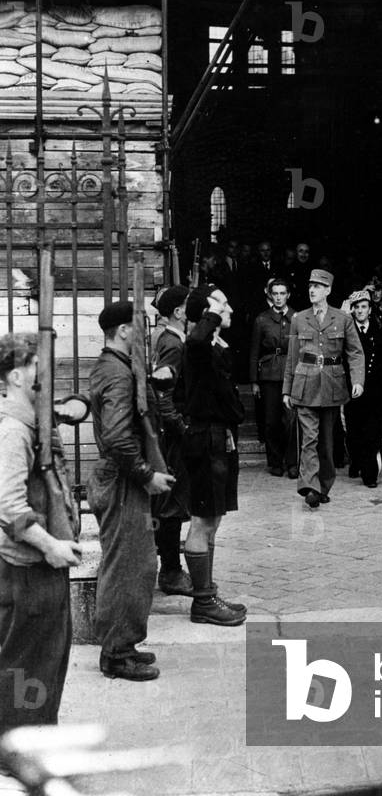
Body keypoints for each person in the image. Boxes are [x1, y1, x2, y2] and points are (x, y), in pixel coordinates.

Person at [88, 301, 175, 681]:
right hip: (123, 480)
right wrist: (146, 476)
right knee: (128, 565)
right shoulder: (118, 374)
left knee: (137, 564)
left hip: (123, 478)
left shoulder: (119, 368)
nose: (145, 331)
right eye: (140, 325)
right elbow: (118, 438)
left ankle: (124, 643)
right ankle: (116, 653)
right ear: (123, 330)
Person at [0, 333, 81, 727]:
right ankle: (17, 759)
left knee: (44, 664)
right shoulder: (13, 432)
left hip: (38, 568)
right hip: (29, 569)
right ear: (16, 376)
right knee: (28, 667)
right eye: (36, 367)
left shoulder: (28, 423)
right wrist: (49, 545)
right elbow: (7, 506)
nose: (43, 376)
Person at [181, 286, 247, 626]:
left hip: (219, 436)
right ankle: (202, 602)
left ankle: (206, 591)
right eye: (222, 302)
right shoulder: (198, 345)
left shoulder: (214, 345)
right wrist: (210, 312)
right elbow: (194, 342)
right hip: (205, 438)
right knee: (202, 520)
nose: (229, 307)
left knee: (214, 519)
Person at [282, 269, 365, 508]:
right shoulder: (299, 318)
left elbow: (355, 352)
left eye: (318, 286)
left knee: (326, 443)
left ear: (328, 290)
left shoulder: (343, 318)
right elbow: (291, 358)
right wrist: (287, 390)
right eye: (310, 285)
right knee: (309, 439)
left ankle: (323, 485)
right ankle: (310, 486)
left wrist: (357, 380)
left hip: (331, 385)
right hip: (305, 384)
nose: (312, 290)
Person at [149, 284, 193, 598]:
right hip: (172, 438)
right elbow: (163, 397)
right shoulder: (173, 345)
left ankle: (171, 568)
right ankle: (171, 572)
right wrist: (183, 430)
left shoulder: (172, 340)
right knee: (171, 505)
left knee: (171, 503)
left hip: (170, 434)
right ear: (179, 312)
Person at [345, 290, 382, 489]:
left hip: (374, 391)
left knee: (372, 432)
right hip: (353, 390)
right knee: (353, 431)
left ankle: (370, 474)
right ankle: (356, 462)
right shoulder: (348, 332)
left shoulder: (379, 332)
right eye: (357, 307)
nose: (360, 311)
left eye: (364, 307)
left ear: (370, 309)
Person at [249, 278, 297, 478]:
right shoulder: (262, 319)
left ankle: (293, 462)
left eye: (282, 293)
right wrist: (254, 381)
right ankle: (275, 462)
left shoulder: (297, 317)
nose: (278, 297)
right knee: (271, 421)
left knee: (291, 420)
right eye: (275, 293)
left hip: (291, 373)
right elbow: (254, 351)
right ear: (270, 295)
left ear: (288, 295)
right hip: (268, 375)